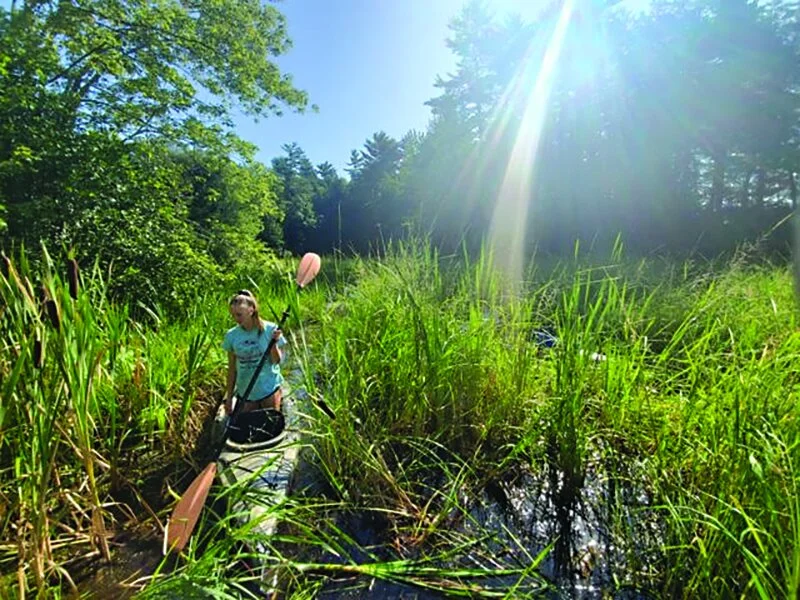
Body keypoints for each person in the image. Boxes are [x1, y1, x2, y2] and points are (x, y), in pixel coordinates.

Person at [222, 289, 287, 415]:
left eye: (239, 314)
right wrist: (229, 397)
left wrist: (273, 344)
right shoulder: (231, 335)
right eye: (233, 315)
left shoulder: (270, 330)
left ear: (251, 310)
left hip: (269, 389)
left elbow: (277, 361)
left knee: (271, 424)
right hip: (246, 392)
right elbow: (231, 369)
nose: (236, 318)